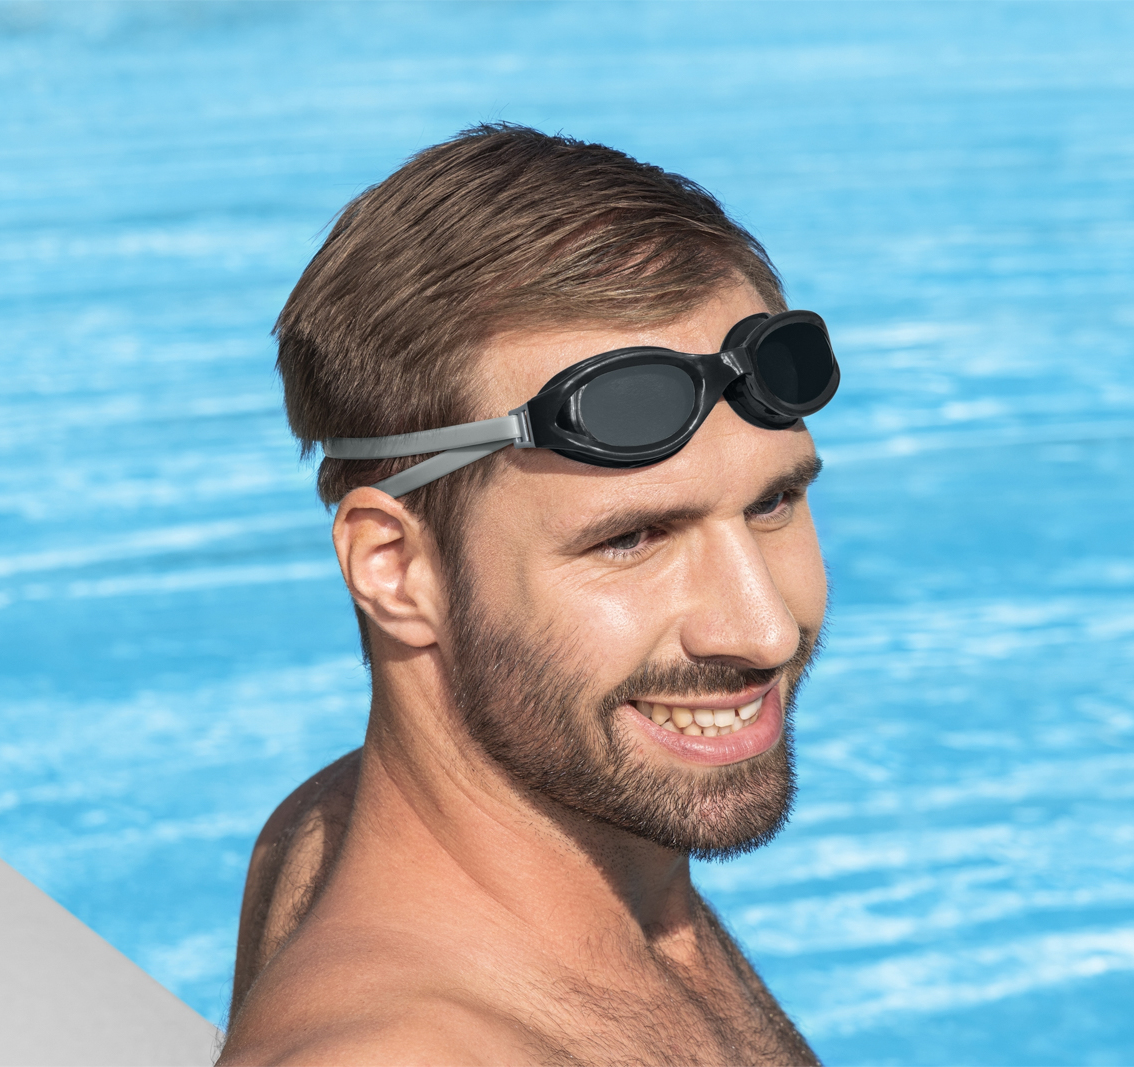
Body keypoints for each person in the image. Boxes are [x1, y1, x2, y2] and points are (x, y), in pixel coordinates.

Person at [218, 123, 836, 1066]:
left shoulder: (337, 826)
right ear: (394, 567)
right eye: (631, 538)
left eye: (773, 503)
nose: (763, 629)